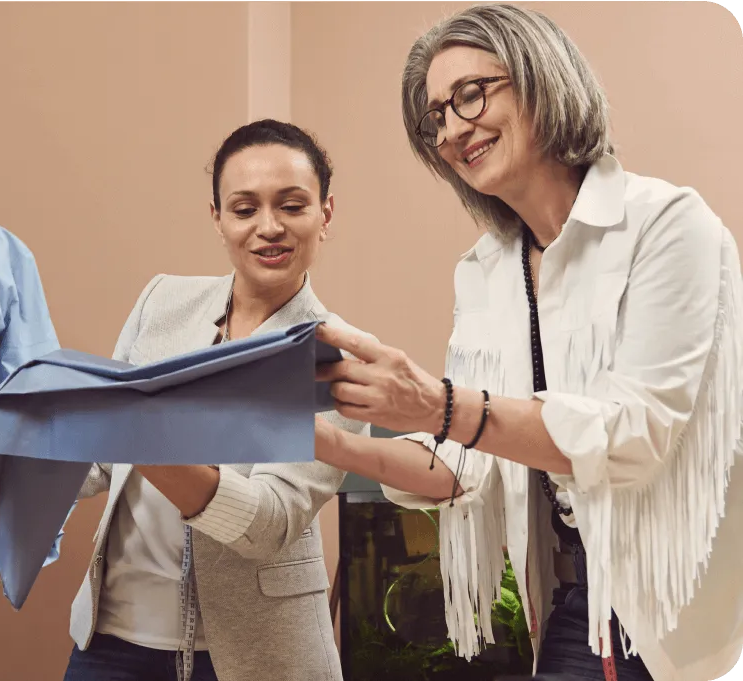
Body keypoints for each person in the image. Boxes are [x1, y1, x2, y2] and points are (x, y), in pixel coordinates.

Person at [311, 4, 743, 681]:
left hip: (675, 607)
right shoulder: (483, 272)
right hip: (575, 604)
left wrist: (436, 403)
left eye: (470, 95)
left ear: (542, 77)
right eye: (436, 118)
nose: (454, 129)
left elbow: (639, 430)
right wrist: (333, 444)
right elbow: (470, 463)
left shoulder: (668, 225)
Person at [0, 119, 370, 681]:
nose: (269, 227)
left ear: (325, 213)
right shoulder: (162, 300)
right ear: (217, 217)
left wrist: (138, 435)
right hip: (112, 641)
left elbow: (269, 523)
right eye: (243, 209)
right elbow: (99, 458)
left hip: (257, 657)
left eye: (291, 205)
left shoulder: (339, 358)